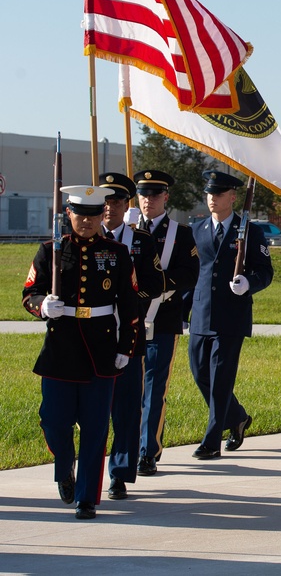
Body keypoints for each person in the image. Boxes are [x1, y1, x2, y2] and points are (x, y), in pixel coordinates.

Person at [22, 185, 139, 519]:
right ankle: (64, 467)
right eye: (80, 215)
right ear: (68, 214)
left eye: (93, 215)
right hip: (61, 349)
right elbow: (29, 293)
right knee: (54, 421)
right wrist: (43, 305)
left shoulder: (116, 253)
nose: (86, 222)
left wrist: (126, 347)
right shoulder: (51, 250)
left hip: (100, 351)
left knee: (95, 428)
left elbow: (130, 304)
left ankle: (87, 497)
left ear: (102, 214)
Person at [188, 170, 273, 460]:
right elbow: (193, 273)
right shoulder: (197, 229)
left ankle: (212, 441)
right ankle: (236, 416)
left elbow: (265, 271)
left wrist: (248, 283)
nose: (213, 199)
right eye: (210, 193)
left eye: (219, 193)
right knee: (200, 373)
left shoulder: (250, 230)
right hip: (201, 313)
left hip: (231, 315)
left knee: (221, 379)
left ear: (233, 197)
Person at [132, 169, 200, 477]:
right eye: (143, 195)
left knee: (154, 388)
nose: (148, 200)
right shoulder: (127, 231)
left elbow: (190, 274)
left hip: (163, 317)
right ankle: (128, 448)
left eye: (155, 195)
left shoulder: (181, 234)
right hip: (129, 320)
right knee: (128, 390)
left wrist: (158, 285)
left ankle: (149, 451)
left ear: (166, 198)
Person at [100, 173, 163, 500]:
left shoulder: (141, 241)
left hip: (127, 334)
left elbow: (155, 285)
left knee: (126, 409)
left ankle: (120, 474)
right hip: (91, 336)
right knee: (92, 409)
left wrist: (129, 288)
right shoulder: (84, 237)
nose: (111, 208)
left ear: (127, 206)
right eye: (106, 201)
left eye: (118, 201)